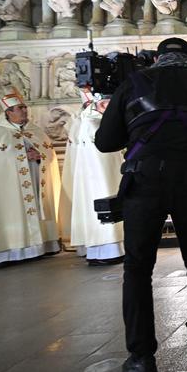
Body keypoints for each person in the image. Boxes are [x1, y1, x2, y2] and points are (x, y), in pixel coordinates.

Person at [95, 37, 187, 372]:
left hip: (143, 182)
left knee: (138, 267)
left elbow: (105, 142)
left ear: (157, 58)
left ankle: (141, 358)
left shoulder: (133, 84)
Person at [0, 89, 62, 268]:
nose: (24, 111)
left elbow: (48, 152)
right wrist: (23, 157)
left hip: (34, 179)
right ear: (8, 113)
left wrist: (39, 155)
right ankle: (9, 253)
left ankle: (37, 249)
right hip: (9, 187)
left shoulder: (35, 130)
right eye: (19, 108)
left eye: (24, 107)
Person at [58, 88, 125, 265]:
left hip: (107, 173)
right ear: (102, 104)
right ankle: (105, 250)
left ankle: (111, 249)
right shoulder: (92, 123)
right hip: (99, 178)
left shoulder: (93, 121)